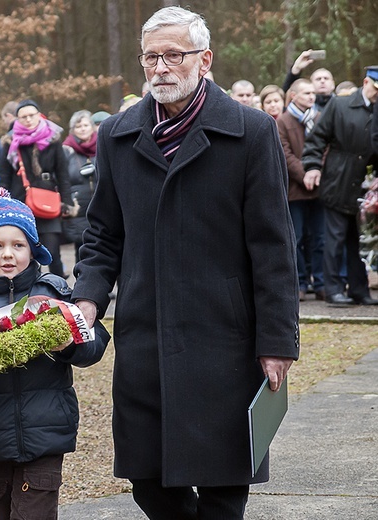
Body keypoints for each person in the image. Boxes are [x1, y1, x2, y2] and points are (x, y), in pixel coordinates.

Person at [72, 6, 299, 519]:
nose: (161, 68)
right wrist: (86, 301)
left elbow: (273, 247)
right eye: (150, 57)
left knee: (223, 485)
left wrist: (278, 342)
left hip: (224, 336)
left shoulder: (250, 131)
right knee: (148, 481)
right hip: (145, 334)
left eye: (174, 55)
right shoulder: (118, 135)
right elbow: (103, 232)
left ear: (205, 59)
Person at [0, 187, 110, 520]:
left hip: (47, 430)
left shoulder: (53, 291)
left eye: (18, 245)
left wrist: (69, 344)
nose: (8, 254)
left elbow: (95, 343)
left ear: (34, 249)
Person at [302, 66, 378, 306]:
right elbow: (316, 138)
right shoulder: (340, 105)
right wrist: (313, 166)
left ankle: (359, 290)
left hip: (366, 188)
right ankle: (333, 288)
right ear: (366, 82)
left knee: (360, 240)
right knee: (334, 238)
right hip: (338, 180)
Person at [0, 99, 72, 278]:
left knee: (53, 251)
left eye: (32, 115)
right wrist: (2, 203)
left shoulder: (53, 139)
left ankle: (59, 291)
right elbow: (4, 176)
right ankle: (29, 293)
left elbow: (62, 173)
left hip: (48, 200)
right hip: (20, 201)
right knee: (25, 253)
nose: (28, 120)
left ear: (39, 115)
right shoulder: (10, 141)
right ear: (17, 119)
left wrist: (67, 202)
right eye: (23, 117)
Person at [277, 79, 324, 301]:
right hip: (295, 190)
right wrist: (304, 174)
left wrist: (317, 171)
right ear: (293, 96)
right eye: (306, 93)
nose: (311, 96)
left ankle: (321, 282)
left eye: (313, 93)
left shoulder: (320, 118)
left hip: (319, 188)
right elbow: (284, 153)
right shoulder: (283, 122)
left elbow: (326, 147)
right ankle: (300, 283)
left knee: (319, 238)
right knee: (295, 239)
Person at [62, 110, 97, 263]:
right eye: (78, 126)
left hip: (101, 206)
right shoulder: (66, 151)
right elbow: (62, 179)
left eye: (85, 125)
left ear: (92, 127)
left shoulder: (103, 145)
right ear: (72, 130)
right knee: (82, 253)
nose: (82, 129)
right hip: (78, 210)